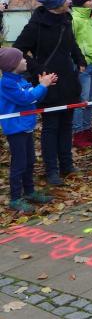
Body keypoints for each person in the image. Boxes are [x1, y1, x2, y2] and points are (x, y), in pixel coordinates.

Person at [15, 0, 84, 186]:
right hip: (49, 82)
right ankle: (51, 170)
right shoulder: (35, 26)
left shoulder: (66, 19)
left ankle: (67, 164)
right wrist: (38, 69)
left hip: (68, 80)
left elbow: (71, 43)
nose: (69, 1)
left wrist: (79, 58)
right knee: (51, 127)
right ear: (56, 4)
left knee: (67, 124)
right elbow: (18, 50)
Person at [0, 48, 57, 213]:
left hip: (26, 126)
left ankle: (29, 191)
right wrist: (42, 86)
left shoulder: (20, 79)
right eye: (22, 59)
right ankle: (15, 198)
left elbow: (33, 98)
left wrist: (43, 86)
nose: (25, 60)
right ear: (12, 64)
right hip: (16, 129)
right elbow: (25, 98)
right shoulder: (7, 83)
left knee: (30, 160)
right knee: (19, 163)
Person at [70, 0, 92, 148]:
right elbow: (71, 43)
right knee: (81, 100)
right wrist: (79, 60)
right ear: (81, 2)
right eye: (89, 0)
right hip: (83, 65)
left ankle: (87, 130)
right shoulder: (74, 19)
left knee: (91, 100)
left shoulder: (91, 19)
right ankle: (78, 133)